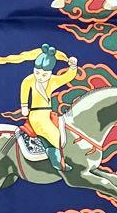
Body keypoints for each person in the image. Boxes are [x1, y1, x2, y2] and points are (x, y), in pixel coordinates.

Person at [20, 43, 79, 171]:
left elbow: (67, 77)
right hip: (36, 115)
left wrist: (73, 67)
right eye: (37, 73)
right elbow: (24, 90)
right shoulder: (29, 80)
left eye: (44, 75)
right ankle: (56, 162)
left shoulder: (53, 80)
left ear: (50, 73)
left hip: (48, 113)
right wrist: (24, 106)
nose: (39, 77)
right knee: (55, 136)